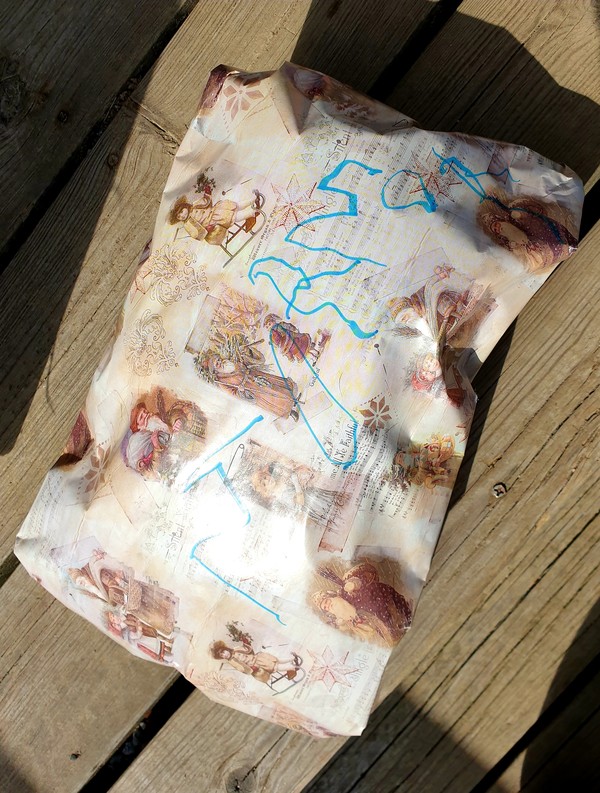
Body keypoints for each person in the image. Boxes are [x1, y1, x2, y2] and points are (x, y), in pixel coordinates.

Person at [316, 561, 412, 645]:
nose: (328, 606)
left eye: (326, 601)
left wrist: (353, 584)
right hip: (374, 615)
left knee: (399, 611)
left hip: (379, 596)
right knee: (388, 631)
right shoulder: (341, 614)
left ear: (332, 596)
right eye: (325, 607)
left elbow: (359, 579)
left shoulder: (343, 592)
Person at [478, 191, 577, 272]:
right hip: (543, 250)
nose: (497, 228)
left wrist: (520, 215)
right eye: (495, 229)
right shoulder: (506, 238)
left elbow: (531, 213)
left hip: (549, 234)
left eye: (496, 224)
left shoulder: (513, 217)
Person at [196, 351, 299, 419]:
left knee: (275, 386)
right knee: (272, 396)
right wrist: (240, 390)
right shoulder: (221, 381)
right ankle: (289, 411)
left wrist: (244, 363)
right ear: (215, 369)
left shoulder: (228, 362)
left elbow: (241, 365)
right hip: (252, 389)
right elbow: (233, 394)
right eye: (217, 364)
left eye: (218, 360)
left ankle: (293, 399)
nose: (220, 363)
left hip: (255, 376)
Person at [168, 187, 260, 245]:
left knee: (231, 205)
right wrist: (206, 230)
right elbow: (195, 234)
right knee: (229, 216)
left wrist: (207, 194)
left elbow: (206, 203)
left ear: (185, 206)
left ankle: (252, 200)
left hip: (214, 211)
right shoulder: (188, 224)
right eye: (179, 217)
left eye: (181, 211)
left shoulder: (194, 205)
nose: (182, 215)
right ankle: (251, 213)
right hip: (212, 224)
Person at [210, 640, 302, 684]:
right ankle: (291, 667)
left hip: (257, 657)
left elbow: (248, 651)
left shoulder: (236, 649)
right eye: (222, 656)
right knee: (274, 667)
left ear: (226, 649)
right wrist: (250, 669)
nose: (224, 655)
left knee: (275, 659)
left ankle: (291, 659)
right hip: (255, 665)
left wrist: (246, 644)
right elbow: (241, 668)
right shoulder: (232, 661)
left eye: (223, 652)